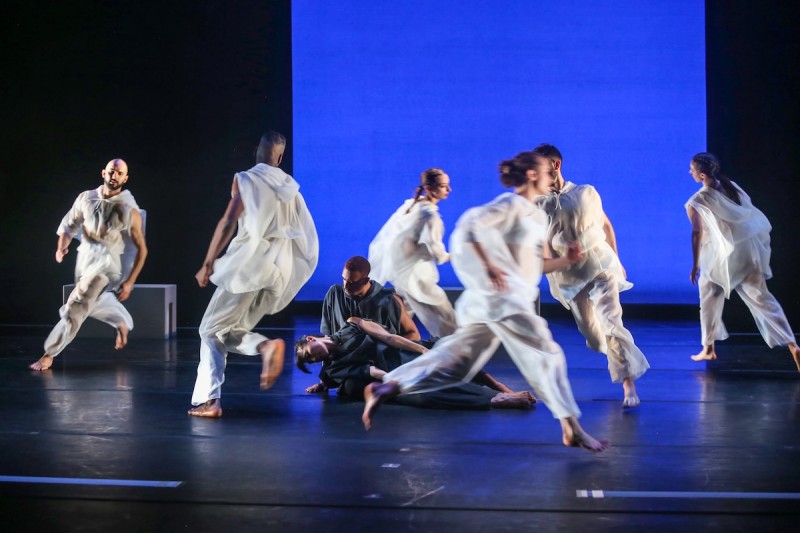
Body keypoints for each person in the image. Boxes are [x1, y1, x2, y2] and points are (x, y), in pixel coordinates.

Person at [362, 151, 608, 452]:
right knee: (547, 355)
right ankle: (572, 429)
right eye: (545, 173)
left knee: (457, 362)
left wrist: (566, 260)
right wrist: (489, 266)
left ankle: (389, 385)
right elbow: (470, 227)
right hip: (504, 300)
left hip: (498, 302)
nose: (550, 179)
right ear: (532, 175)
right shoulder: (511, 204)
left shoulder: (535, 215)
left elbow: (536, 265)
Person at [188, 131, 319, 417]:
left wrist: (208, 263)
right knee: (224, 332)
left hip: (248, 267)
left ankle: (212, 399)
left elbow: (228, 221)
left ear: (256, 151)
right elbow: (306, 237)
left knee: (208, 330)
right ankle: (262, 346)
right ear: (280, 158)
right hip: (278, 271)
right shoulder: (290, 188)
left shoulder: (246, 179)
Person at [532, 143, 649, 408]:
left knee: (611, 322)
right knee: (595, 338)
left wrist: (617, 259)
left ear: (555, 165)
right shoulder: (538, 203)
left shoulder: (586, 192)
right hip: (570, 276)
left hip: (600, 265)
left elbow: (606, 224)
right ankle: (617, 353)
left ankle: (628, 383)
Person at [30, 159, 147, 371]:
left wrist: (130, 281)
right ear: (103, 173)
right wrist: (61, 248)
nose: (114, 175)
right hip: (86, 263)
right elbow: (69, 226)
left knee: (75, 307)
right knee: (86, 303)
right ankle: (121, 320)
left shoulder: (129, 210)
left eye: (119, 173)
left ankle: (49, 354)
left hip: (109, 267)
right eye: (111, 171)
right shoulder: (86, 198)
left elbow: (141, 249)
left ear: (125, 178)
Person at [685, 152, 800, 369]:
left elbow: (696, 233)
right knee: (762, 299)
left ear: (702, 175)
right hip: (748, 252)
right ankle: (792, 344)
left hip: (719, 257)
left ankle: (708, 348)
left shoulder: (697, 201)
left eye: (692, 169)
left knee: (708, 296)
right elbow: (747, 215)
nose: (690, 172)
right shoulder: (732, 187)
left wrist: (695, 264)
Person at [295, 317, 533, 409]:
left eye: (309, 354)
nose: (313, 359)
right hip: (392, 371)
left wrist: (423, 350)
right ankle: (494, 399)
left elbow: (390, 338)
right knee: (426, 390)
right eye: (310, 361)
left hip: (399, 352)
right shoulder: (333, 368)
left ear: (312, 339)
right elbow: (371, 372)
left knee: (450, 354)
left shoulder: (352, 324)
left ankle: (499, 387)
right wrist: (322, 385)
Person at [368, 168, 457, 337]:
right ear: (429, 188)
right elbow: (439, 255)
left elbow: (395, 239)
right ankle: (457, 348)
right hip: (416, 277)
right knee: (446, 318)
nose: (449, 189)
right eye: (443, 186)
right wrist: (461, 253)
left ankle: (377, 342)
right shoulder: (429, 216)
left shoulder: (412, 205)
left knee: (402, 315)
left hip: (402, 273)